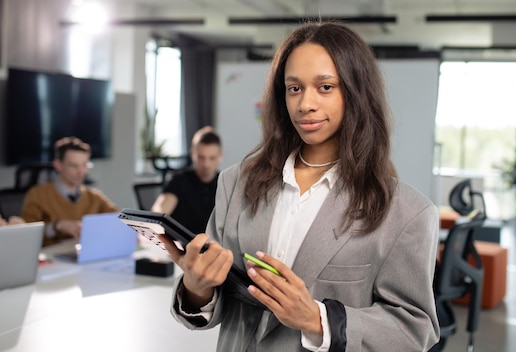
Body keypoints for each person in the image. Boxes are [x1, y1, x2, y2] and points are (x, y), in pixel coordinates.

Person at [160, 21, 440, 351]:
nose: (305, 104)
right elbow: (222, 294)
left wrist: (316, 318)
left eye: (325, 87)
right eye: (294, 88)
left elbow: (414, 330)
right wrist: (197, 286)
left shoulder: (407, 213)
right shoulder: (236, 182)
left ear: (356, 92)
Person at [21, 137, 118, 246]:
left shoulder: (94, 196)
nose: (81, 172)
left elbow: (119, 218)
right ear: (58, 165)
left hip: (85, 255)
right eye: (73, 165)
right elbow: (26, 235)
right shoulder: (37, 194)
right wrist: (57, 226)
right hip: (52, 258)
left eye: (84, 165)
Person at [151, 126, 222, 234]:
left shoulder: (225, 183)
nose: (206, 164)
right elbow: (159, 210)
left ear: (220, 156)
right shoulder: (178, 180)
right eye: (201, 157)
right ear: (192, 154)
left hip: (213, 246)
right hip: (181, 245)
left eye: (212, 158)